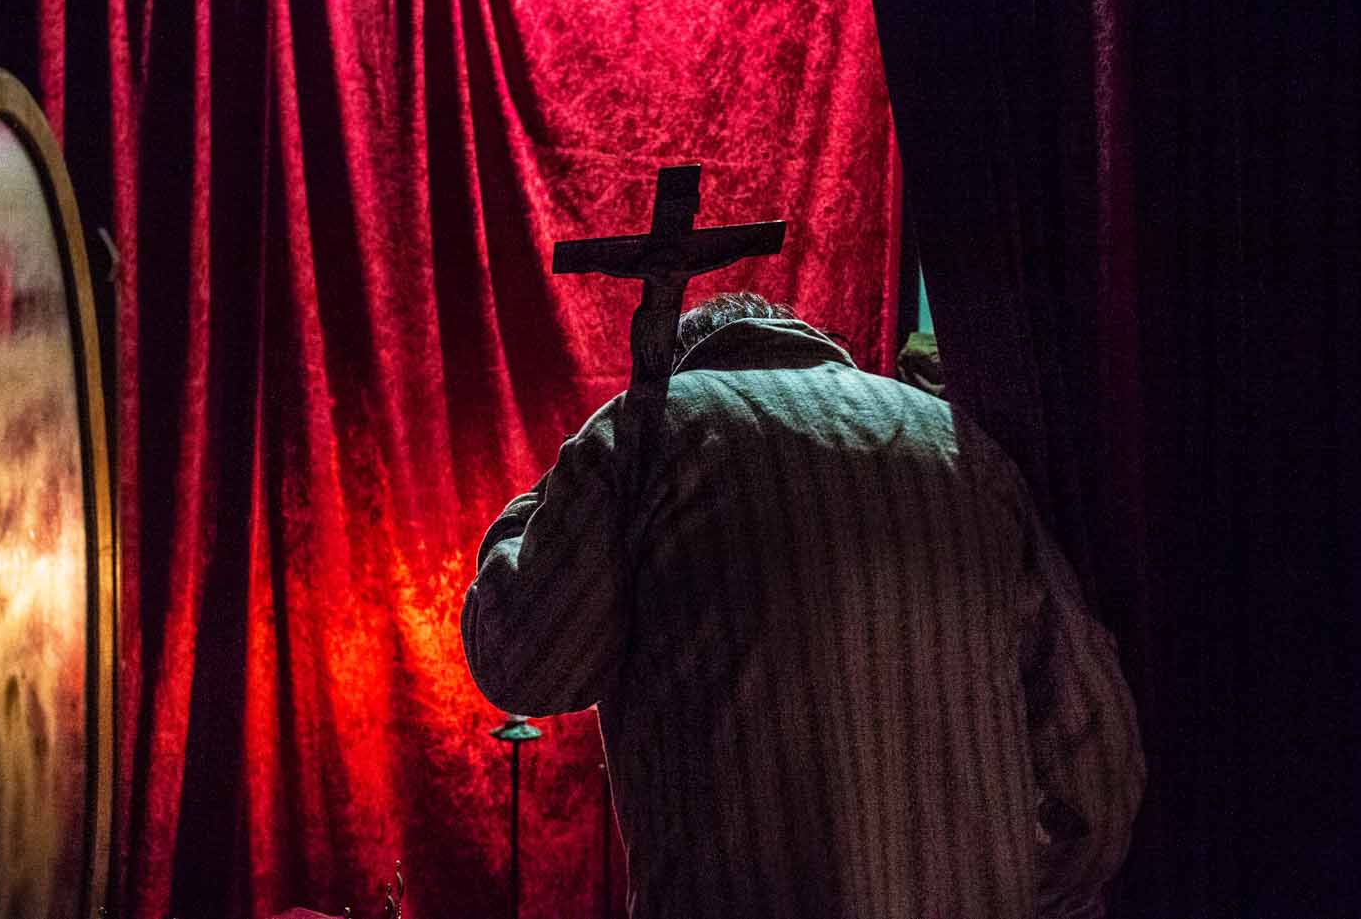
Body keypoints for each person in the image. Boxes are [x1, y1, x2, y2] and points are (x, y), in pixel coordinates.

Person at [462, 293, 1144, 919]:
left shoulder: (649, 434)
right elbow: (1095, 766)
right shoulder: (964, 447)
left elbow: (524, 660)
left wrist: (531, 515)